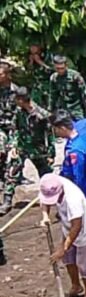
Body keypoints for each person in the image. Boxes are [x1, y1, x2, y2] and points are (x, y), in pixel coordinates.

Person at [39, 174, 86, 297]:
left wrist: (63, 248)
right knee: (68, 260)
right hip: (68, 228)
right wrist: (45, 216)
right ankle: (76, 286)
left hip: (85, 232)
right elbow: (44, 200)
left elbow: (77, 226)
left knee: (83, 265)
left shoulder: (73, 199)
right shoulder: (48, 182)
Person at [15, 86, 54, 177]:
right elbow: (16, 129)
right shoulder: (19, 112)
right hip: (22, 146)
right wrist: (14, 145)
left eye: (16, 99)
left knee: (46, 175)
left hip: (38, 149)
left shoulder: (41, 114)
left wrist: (51, 153)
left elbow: (50, 134)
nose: (15, 101)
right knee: (13, 171)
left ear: (21, 100)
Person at [54, 111, 86, 199]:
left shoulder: (76, 150)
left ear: (63, 128)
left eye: (56, 129)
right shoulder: (77, 139)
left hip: (77, 190)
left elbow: (78, 176)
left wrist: (74, 194)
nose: (55, 132)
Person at [0, 65, 19, 216]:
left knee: (13, 162)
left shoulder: (16, 91)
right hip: (1, 128)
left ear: (7, 75)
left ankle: (7, 198)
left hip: (15, 129)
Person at [48, 55, 85, 120]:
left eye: (62, 68)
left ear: (66, 66)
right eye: (58, 68)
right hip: (63, 109)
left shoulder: (75, 76)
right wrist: (50, 109)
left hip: (76, 109)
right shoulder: (54, 78)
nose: (60, 71)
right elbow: (53, 95)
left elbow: (83, 93)